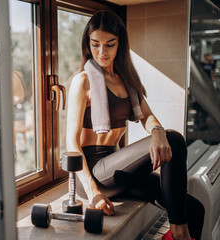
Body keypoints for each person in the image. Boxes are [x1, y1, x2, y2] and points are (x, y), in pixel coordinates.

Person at [66, 10, 204, 240]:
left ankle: (177, 234)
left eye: (110, 44)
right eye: (95, 44)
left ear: (120, 43)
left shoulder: (126, 79)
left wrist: (158, 131)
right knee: (176, 140)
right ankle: (179, 235)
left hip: (118, 168)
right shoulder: (83, 81)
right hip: (96, 174)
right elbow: (71, 142)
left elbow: (147, 116)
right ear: (87, 44)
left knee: (196, 210)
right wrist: (93, 193)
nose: (102, 52)